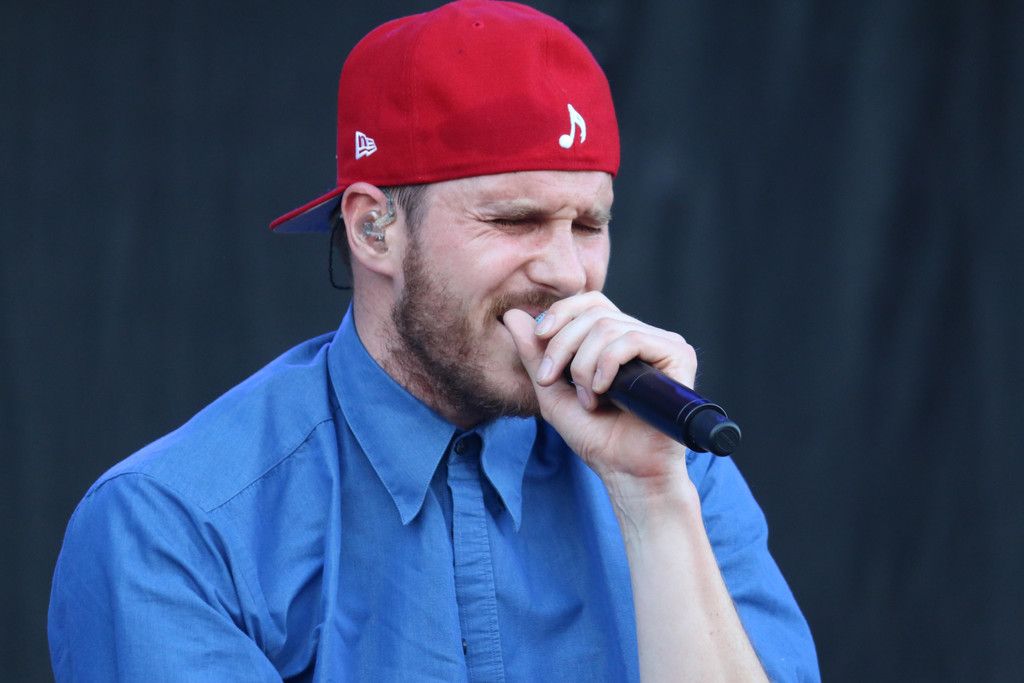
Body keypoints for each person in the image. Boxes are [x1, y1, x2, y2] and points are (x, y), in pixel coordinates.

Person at [48, 1, 819, 680]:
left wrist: (652, 499)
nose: (567, 273)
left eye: (589, 224)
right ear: (374, 229)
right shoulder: (174, 526)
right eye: (515, 220)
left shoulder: (671, 465)